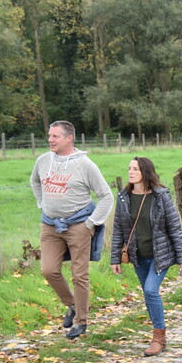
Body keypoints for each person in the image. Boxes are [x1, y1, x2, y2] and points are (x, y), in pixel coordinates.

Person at [30, 120, 113, 339]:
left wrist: (90, 223)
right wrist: (42, 204)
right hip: (50, 225)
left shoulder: (85, 164)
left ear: (69, 138)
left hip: (78, 225)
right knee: (49, 270)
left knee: (80, 275)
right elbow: (35, 183)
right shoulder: (43, 160)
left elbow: (106, 196)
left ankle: (81, 321)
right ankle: (73, 304)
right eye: (49, 135)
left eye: (55, 136)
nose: (50, 139)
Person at [109, 157, 182, 356]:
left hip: (160, 255)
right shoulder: (123, 197)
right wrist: (115, 258)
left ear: (145, 171)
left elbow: (174, 227)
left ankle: (158, 339)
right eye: (129, 168)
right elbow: (118, 230)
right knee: (147, 293)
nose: (130, 172)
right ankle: (158, 334)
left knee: (151, 290)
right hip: (138, 256)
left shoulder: (160, 196)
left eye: (135, 169)